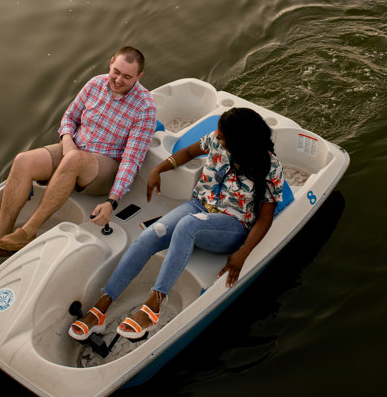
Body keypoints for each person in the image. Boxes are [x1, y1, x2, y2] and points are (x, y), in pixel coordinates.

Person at [68, 107, 284, 341]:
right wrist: (159, 169)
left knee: (187, 225)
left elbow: (265, 218)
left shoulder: (270, 167)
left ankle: (153, 307)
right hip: (199, 206)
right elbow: (189, 152)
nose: (218, 139)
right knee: (150, 235)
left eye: (223, 138)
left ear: (240, 142)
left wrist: (242, 254)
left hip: (232, 225)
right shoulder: (216, 140)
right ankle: (102, 307)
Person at [0, 46, 157, 264]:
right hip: (74, 150)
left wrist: (113, 200)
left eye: (127, 77)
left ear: (139, 76)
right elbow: (69, 117)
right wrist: (67, 142)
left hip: (104, 168)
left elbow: (131, 160)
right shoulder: (95, 84)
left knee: (74, 159)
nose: (118, 80)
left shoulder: (145, 108)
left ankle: (28, 232)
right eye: (116, 72)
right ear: (111, 63)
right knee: (23, 161)